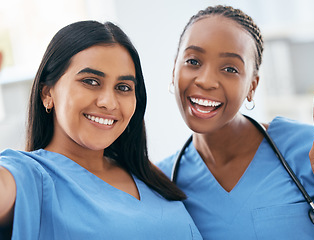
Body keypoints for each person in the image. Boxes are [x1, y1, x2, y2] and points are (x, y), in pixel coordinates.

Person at [157, 5, 314, 240]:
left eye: (230, 68)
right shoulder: (163, 181)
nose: (206, 80)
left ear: (252, 86)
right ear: (174, 69)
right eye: (193, 61)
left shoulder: (311, 150)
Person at [0, 20, 202, 240]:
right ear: (47, 93)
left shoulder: (148, 175)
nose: (109, 102)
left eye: (123, 87)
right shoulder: (28, 175)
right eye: (91, 81)